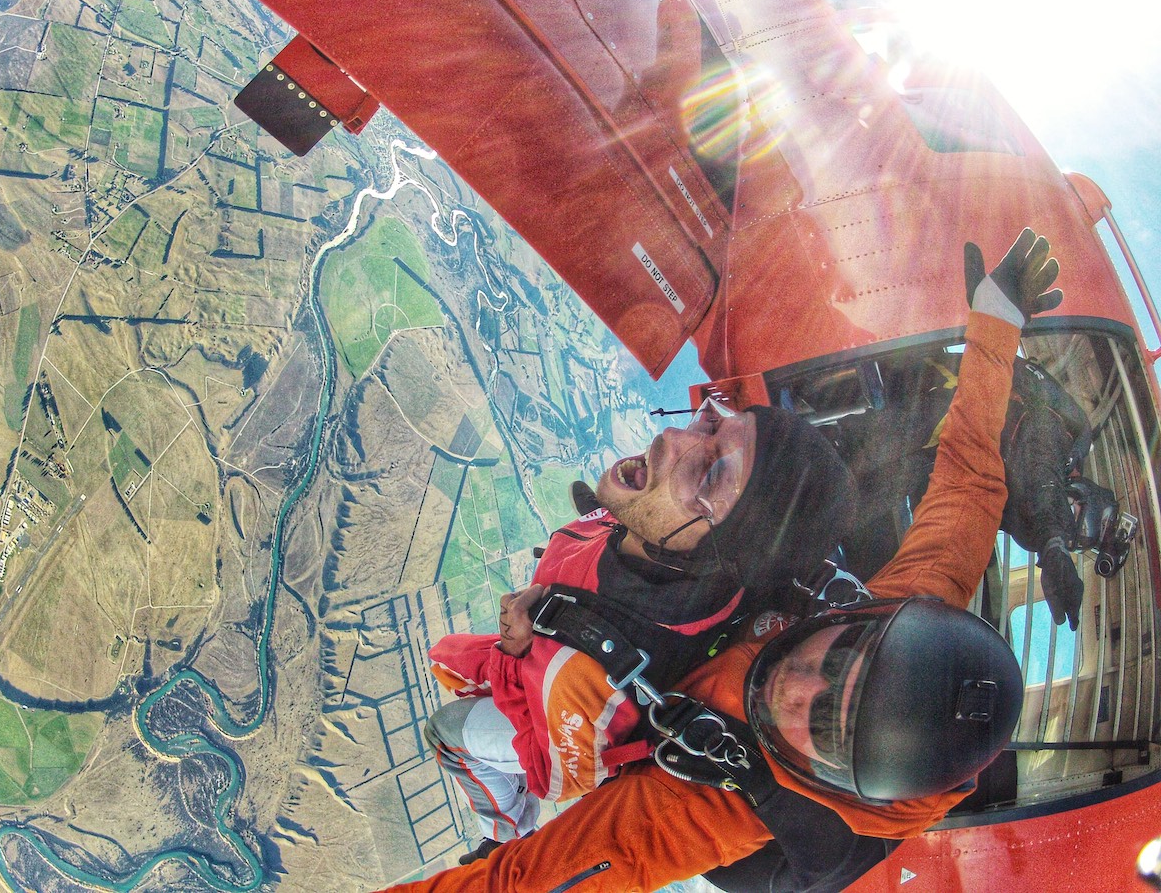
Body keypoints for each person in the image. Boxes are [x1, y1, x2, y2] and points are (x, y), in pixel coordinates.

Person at [384, 228, 1059, 892]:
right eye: (837, 656)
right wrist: (997, 322)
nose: (798, 687)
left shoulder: (712, 808)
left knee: (453, 733)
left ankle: (503, 824)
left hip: (704, 777)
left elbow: (525, 886)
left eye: (825, 723)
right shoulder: (905, 617)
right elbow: (971, 482)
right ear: (867, 620)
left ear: (830, 771)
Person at [425, 323, 857, 858]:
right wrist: (609, 520)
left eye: (708, 474)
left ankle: (504, 834)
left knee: (447, 731)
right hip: (558, 648)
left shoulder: (582, 679)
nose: (671, 437)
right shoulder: (668, 543)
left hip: (548, 699)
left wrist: (516, 657)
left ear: (712, 552)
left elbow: (552, 773)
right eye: (711, 421)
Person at [837, 347, 1110, 629]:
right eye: (1071, 510)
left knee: (857, 505)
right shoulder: (1061, 438)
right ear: (1078, 489)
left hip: (938, 450)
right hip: (950, 389)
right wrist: (1053, 542)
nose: (1063, 516)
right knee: (895, 439)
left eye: (1069, 533)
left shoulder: (1027, 514)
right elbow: (1043, 472)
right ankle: (838, 443)